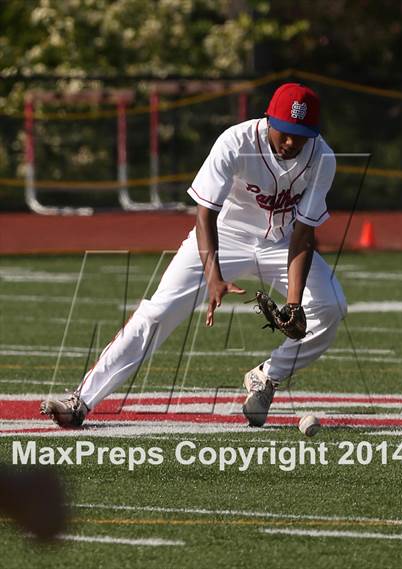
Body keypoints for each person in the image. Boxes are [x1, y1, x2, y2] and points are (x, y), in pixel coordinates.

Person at [41, 83, 347, 428]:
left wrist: (292, 305)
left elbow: (304, 234)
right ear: (269, 119)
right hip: (225, 235)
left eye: (302, 135)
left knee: (331, 305)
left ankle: (267, 376)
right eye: (287, 132)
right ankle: (81, 400)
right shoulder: (237, 141)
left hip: (283, 240)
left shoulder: (323, 158)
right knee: (158, 312)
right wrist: (213, 275)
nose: (292, 142)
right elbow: (205, 214)